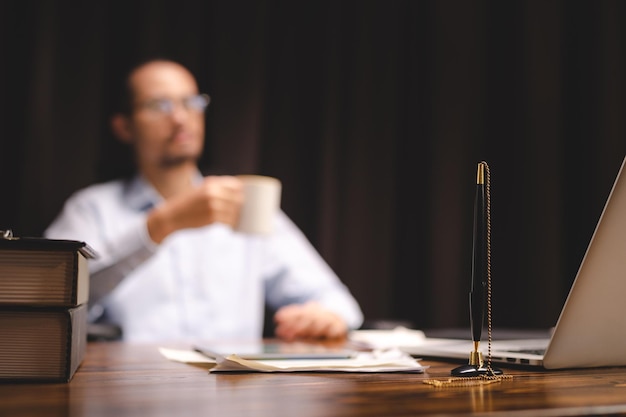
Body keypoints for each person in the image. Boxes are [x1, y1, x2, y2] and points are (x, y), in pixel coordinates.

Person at [44, 58, 363, 342]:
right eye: (159, 105)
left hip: (235, 396)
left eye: (190, 102)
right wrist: (160, 224)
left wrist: (326, 318)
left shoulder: (245, 203)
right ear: (124, 126)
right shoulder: (92, 208)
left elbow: (337, 301)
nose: (181, 118)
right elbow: (48, 299)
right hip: (129, 392)